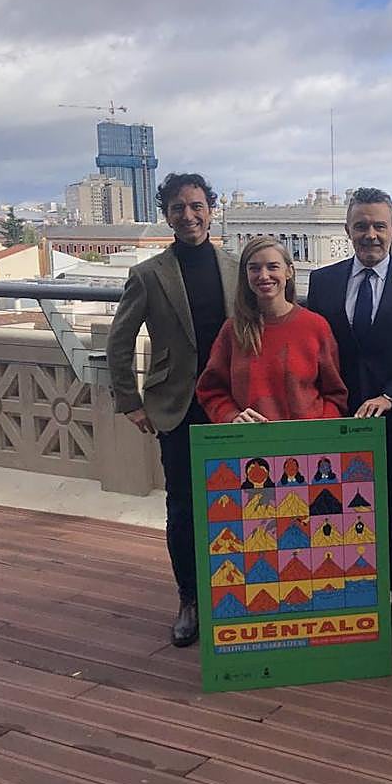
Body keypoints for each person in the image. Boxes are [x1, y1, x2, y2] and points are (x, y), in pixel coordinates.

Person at [107, 172, 238, 648]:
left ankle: (234, 594)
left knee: (235, 506)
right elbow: (119, 342)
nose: (189, 215)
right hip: (177, 408)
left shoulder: (235, 268)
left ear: (211, 211)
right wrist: (130, 402)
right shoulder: (148, 274)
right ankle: (190, 599)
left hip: (231, 406)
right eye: (179, 207)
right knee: (183, 509)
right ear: (166, 214)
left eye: (197, 206)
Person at [307, 187, 392, 649]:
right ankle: (346, 604)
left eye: (379, 226)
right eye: (361, 225)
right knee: (334, 517)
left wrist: (389, 396)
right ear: (347, 230)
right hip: (336, 423)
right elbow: (314, 351)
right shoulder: (322, 282)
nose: (370, 234)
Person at [195, 236, 348, 423]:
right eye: (254, 268)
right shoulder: (232, 330)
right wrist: (231, 416)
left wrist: (321, 428)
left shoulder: (316, 326)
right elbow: (211, 390)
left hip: (308, 438)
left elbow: (335, 395)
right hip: (251, 439)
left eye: (272, 267)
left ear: (289, 271)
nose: (264, 275)